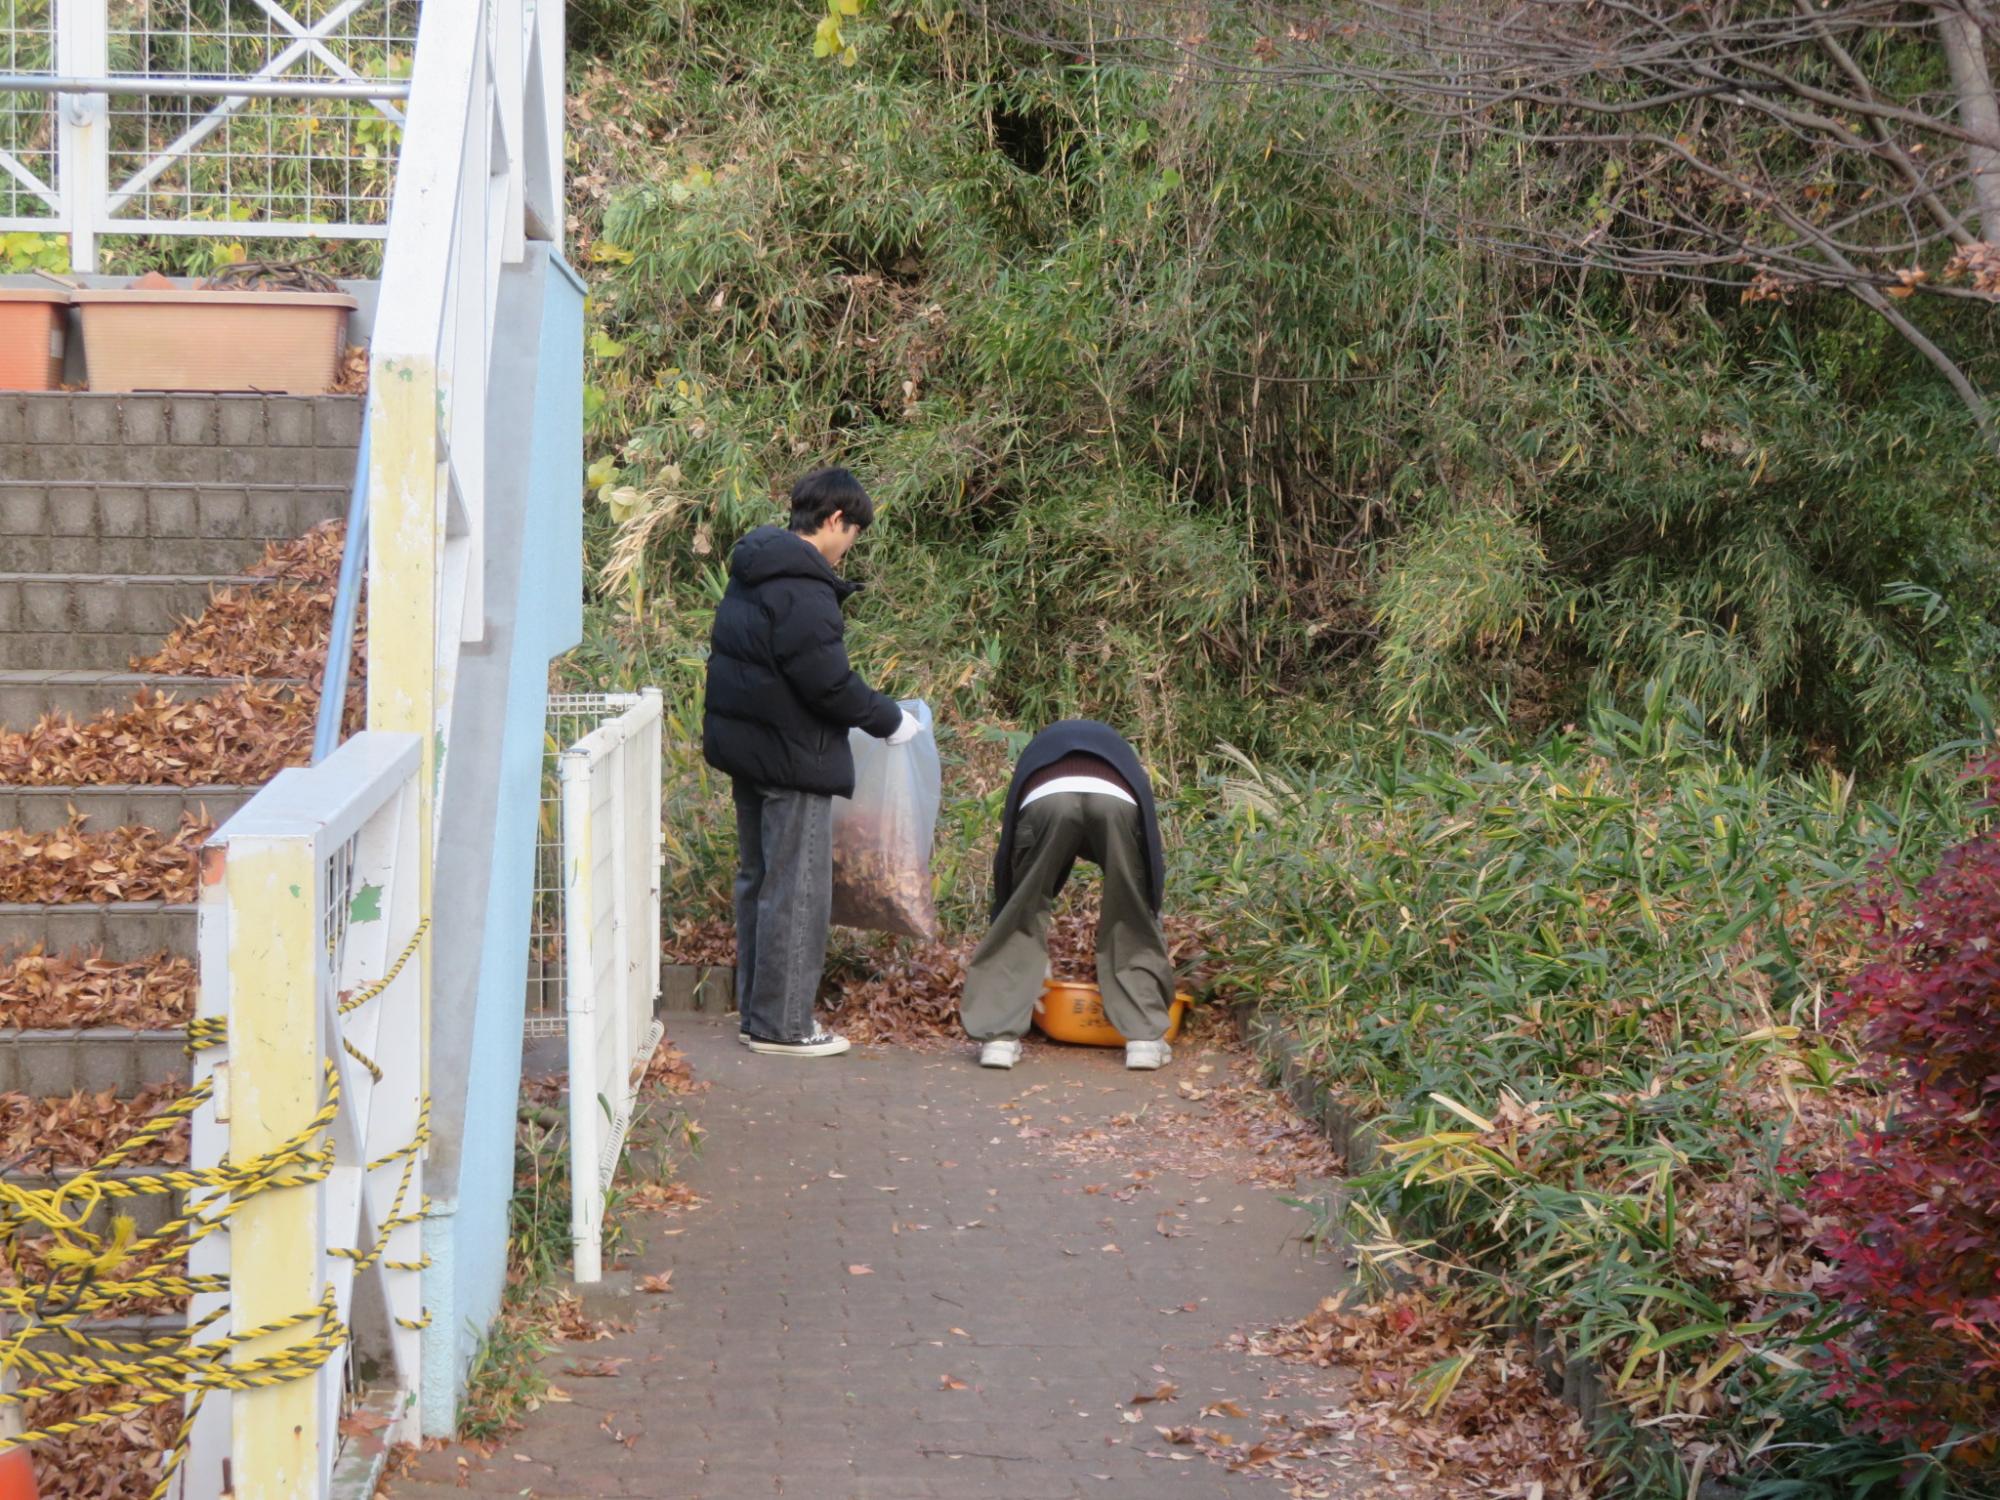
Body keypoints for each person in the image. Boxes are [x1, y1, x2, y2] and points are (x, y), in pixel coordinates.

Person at [702, 467, 920, 1058]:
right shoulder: (802, 585)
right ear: (832, 521)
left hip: (750, 751)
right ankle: (784, 1026)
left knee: (760, 882)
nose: (850, 547)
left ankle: (759, 1013)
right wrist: (889, 719)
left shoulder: (755, 569)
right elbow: (827, 683)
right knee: (796, 890)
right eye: (852, 533)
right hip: (793, 756)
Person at [962, 720, 1174, 1071]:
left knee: (1022, 911)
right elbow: (1149, 846)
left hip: (1046, 796)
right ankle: (1144, 1040)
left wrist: (1006, 904)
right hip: (1116, 799)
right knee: (1129, 912)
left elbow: (1009, 859)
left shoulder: (1039, 751)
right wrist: (1149, 901)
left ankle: (998, 1040)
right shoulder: (1121, 755)